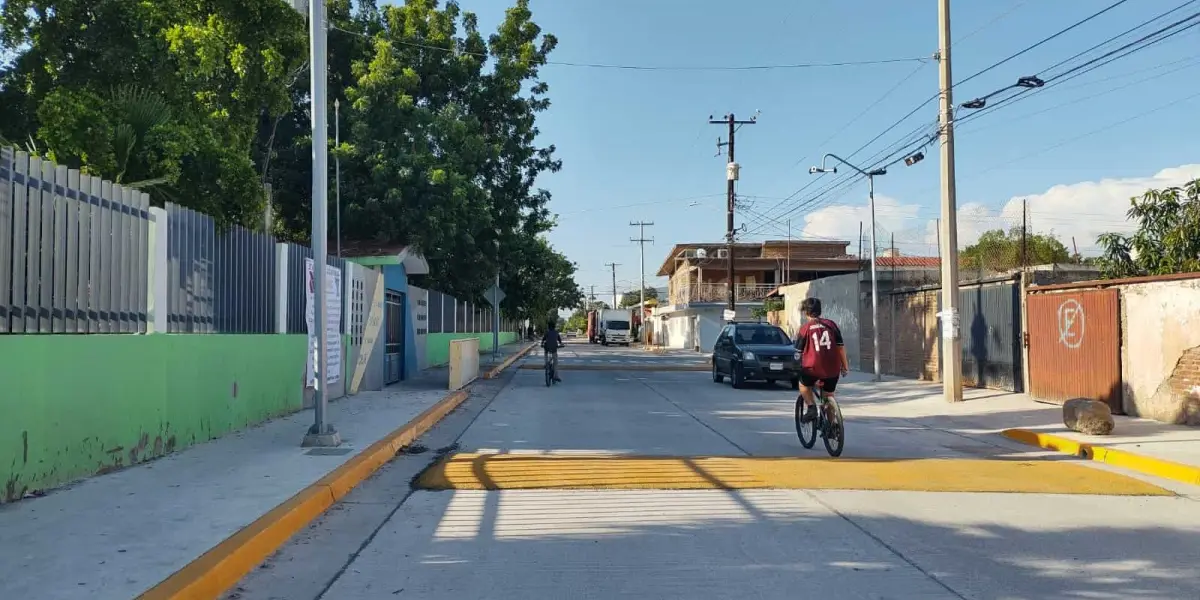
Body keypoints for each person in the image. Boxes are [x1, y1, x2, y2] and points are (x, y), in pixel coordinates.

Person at [794, 297, 850, 423]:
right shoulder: (831, 325)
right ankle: (831, 426)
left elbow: (798, 353)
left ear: (805, 312)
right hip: (832, 368)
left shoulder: (805, 329)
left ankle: (811, 407)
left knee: (803, 385)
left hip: (812, 368)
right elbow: (840, 348)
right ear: (819, 311)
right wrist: (845, 367)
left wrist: (796, 364)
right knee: (828, 396)